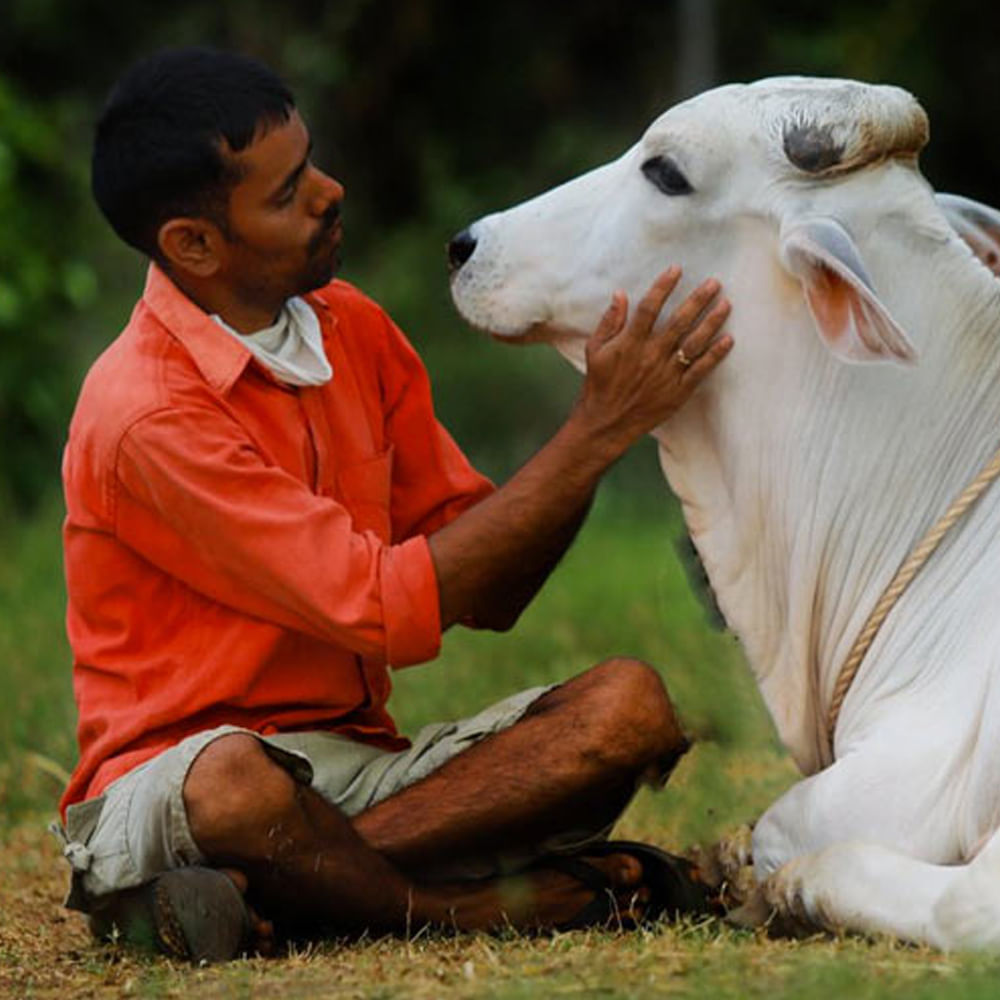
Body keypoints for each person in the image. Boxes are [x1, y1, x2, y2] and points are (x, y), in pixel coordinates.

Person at [55, 47, 734, 963]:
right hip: (176, 783)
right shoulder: (146, 410)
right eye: (288, 192)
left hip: (354, 770)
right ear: (193, 245)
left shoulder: (353, 328)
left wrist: (608, 431)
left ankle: (290, 894)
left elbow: (491, 588)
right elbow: (381, 604)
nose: (330, 192)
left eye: (314, 163)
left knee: (628, 711)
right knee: (237, 788)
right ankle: (463, 910)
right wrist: (596, 429)